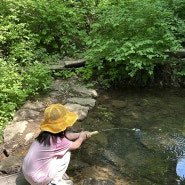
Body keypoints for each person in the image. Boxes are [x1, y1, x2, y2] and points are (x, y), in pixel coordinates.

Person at [22, 103, 91, 185]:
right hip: (38, 181)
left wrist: (80, 134)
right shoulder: (60, 142)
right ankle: (55, 182)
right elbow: (75, 145)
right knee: (66, 153)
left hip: (26, 173)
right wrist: (81, 138)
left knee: (57, 154)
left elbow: (67, 136)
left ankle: (52, 178)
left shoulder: (44, 135)